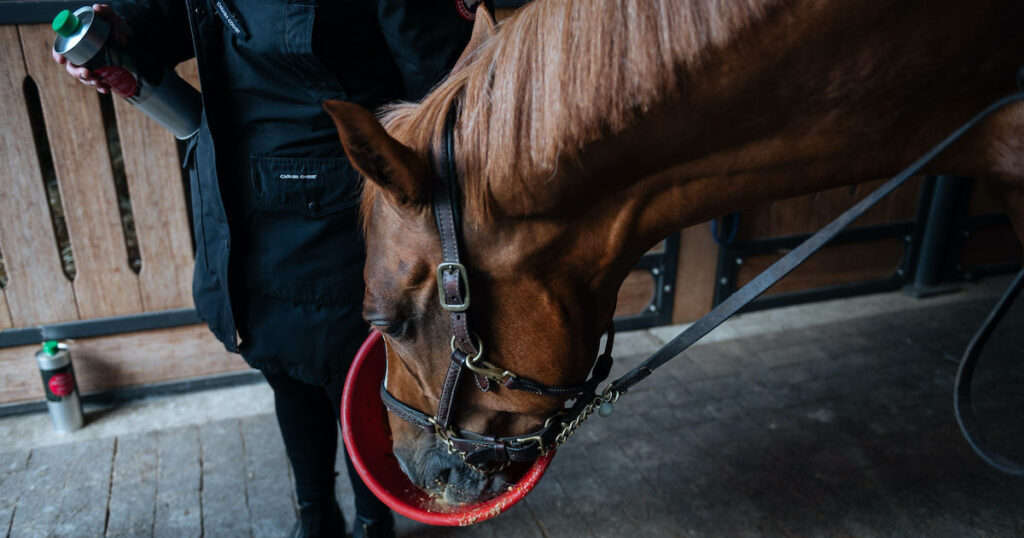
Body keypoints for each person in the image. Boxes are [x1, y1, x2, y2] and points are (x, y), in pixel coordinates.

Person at [54, 1, 477, 536]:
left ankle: (375, 523)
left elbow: (443, 88)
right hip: (238, 198)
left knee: (357, 376)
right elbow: (185, 14)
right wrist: (124, 29)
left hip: (345, 211)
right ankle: (315, 516)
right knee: (283, 371)